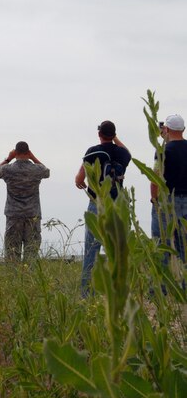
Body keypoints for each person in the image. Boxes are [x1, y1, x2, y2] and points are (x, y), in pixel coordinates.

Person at [75, 121, 131, 297]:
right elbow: (128, 153)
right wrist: (115, 138)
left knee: (91, 248)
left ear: (99, 133)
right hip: (117, 203)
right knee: (117, 248)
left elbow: (79, 178)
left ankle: (86, 293)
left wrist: (83, 179)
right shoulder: (121, 153)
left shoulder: (93, 151)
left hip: (97, 202)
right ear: (114, 134)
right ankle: (117, 290)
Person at [0, 142, 50, 262]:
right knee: (31, 254)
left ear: (16, 153)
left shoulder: (8, 170)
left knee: (12, 253)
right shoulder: (37, 169)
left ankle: (13, 278)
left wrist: (8, 158)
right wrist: (33, 157)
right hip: (32, 215)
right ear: (28, 152)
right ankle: (31, 280)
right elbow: (47, 172)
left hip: (13, 215)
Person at [151, 114, 187, 266]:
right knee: (183, 248)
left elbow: (155, 177)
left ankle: (163, 288)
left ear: (166, 128)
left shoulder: (164, 150)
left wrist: (154, 199)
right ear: (183, 129)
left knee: (162, 245)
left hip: (167, 201)